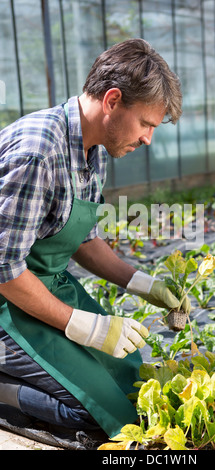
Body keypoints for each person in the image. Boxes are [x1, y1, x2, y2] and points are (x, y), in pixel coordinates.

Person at [0, 39, 189, 439]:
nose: (148, 139)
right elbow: (3, 269)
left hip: (42, 288)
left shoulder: (95, 149)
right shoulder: (39, 152)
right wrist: (84, 327)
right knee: (98, 417)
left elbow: (85, 239)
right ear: (112, 101)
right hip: (7, 300)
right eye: (146, 124)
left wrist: (145, 284)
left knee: (132, 384)